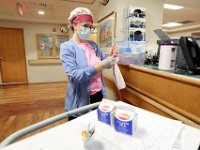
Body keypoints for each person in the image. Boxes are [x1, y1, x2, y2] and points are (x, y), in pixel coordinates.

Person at [60, 7, 118, 120]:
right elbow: (75, 76)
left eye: (91, 27)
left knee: (97, 126)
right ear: (75, 25)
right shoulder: (67, 47)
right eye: (86, 26)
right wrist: (101, 65)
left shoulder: (93, 45)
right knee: (81, 131)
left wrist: (111, 57)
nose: (89, 29)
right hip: (81, 99)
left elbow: (106, 62)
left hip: (99, 94)